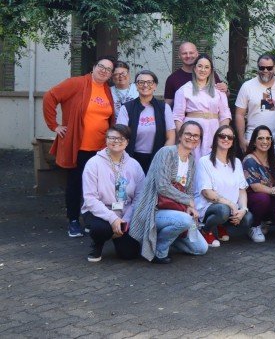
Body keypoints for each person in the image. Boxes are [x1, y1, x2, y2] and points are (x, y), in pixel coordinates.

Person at [43, 55, 116, 237]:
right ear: (94, 66)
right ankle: (73, 221)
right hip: (80, 146)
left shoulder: (107, 90)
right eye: (101, 66)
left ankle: (92, 220)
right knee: (76, 183)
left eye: (108, 69)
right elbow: (50, 97)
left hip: (101, 149)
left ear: (111, 74)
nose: (104, 71)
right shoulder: (77, 83)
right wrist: (55, 125)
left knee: (97, 187)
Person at [129, 121, 209, 264]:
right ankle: (159, 251)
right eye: (188, 134)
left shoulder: (191, 160)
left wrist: (190, 206)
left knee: (201, 249)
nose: (192, 138)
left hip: (177, 211)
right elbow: (162, 186)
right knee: (185, 220)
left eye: (196, 136)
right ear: (180, 136)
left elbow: (189, 191)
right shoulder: (166, 152)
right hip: (154, 210)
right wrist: (188, 201)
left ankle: (166, 237)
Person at [81, 124, 145, 262]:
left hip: (125, 212)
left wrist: (125, 220)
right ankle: (98, 243)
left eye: (121, 138)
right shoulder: (93, 163)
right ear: (106, 140)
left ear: (127, 142)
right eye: (112, 138)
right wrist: (113, 219)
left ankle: (116, 234)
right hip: (99, 212)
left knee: (129, 254)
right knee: (101, 229)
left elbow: (140, 196)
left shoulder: (134, 165)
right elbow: (90, 199)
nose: (116, 141)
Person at [195, 125, 253, 246]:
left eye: (230, 137)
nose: (226, 139)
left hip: (231, 208)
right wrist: (231, 204)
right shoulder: (204, 161)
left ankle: (221, 226)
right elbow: (206, 192)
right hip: (210, 206)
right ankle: (205, 231)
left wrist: (243, 209)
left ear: (233, 141)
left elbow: (242, 190)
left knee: (248, 218)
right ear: (216, 138)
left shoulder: (236, 162)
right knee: (223, 210)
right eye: (222, 136)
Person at [172, 54, 232, 160]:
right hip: (192, 132)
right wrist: (183, 137)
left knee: (213, 161)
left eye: (206, 67)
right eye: (200, 66)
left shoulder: (218, 91)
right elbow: (177, 116)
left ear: (210, 70)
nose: (203, 70)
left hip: (214, 129)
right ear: (194, 68)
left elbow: (225, 115)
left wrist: (222, 134)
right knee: (192, 160)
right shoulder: (184, 90)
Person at [117, 70, 176, 174]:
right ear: (136, 85)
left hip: (157, 157)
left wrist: (162, 158)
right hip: (131, 158)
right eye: (141, 82)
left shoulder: (164, 108)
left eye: (149, 82)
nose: (145, 85)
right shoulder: (126, 108)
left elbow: (171, 137)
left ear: (155, 86)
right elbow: (120, 137)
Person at [234, 53, 275, 157]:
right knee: (253, 173)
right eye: (262, 67)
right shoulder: (247, 86)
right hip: (252, 141)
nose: (265, 71)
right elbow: (239, 114)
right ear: (258, 67)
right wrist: (242, 140)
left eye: (269, 68)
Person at [242, 125, 275, 243]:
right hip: (254, 197)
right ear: (253, 142)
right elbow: (256, 187)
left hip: (273, 193)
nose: (265, 141)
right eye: (261, 138)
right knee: (263, 199)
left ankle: (265, 220)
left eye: (268, 138)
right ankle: (254, 226)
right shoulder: (249, 160)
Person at [163, 42, 226, 107]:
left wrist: (225, 88)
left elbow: (223, 96)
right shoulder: (172, 78)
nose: (188, 56)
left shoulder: (209, 74)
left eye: (191, 53)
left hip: (209, 115)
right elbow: (167, 105)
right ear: (179, 56)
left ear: (197, 54)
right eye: (184, 53)